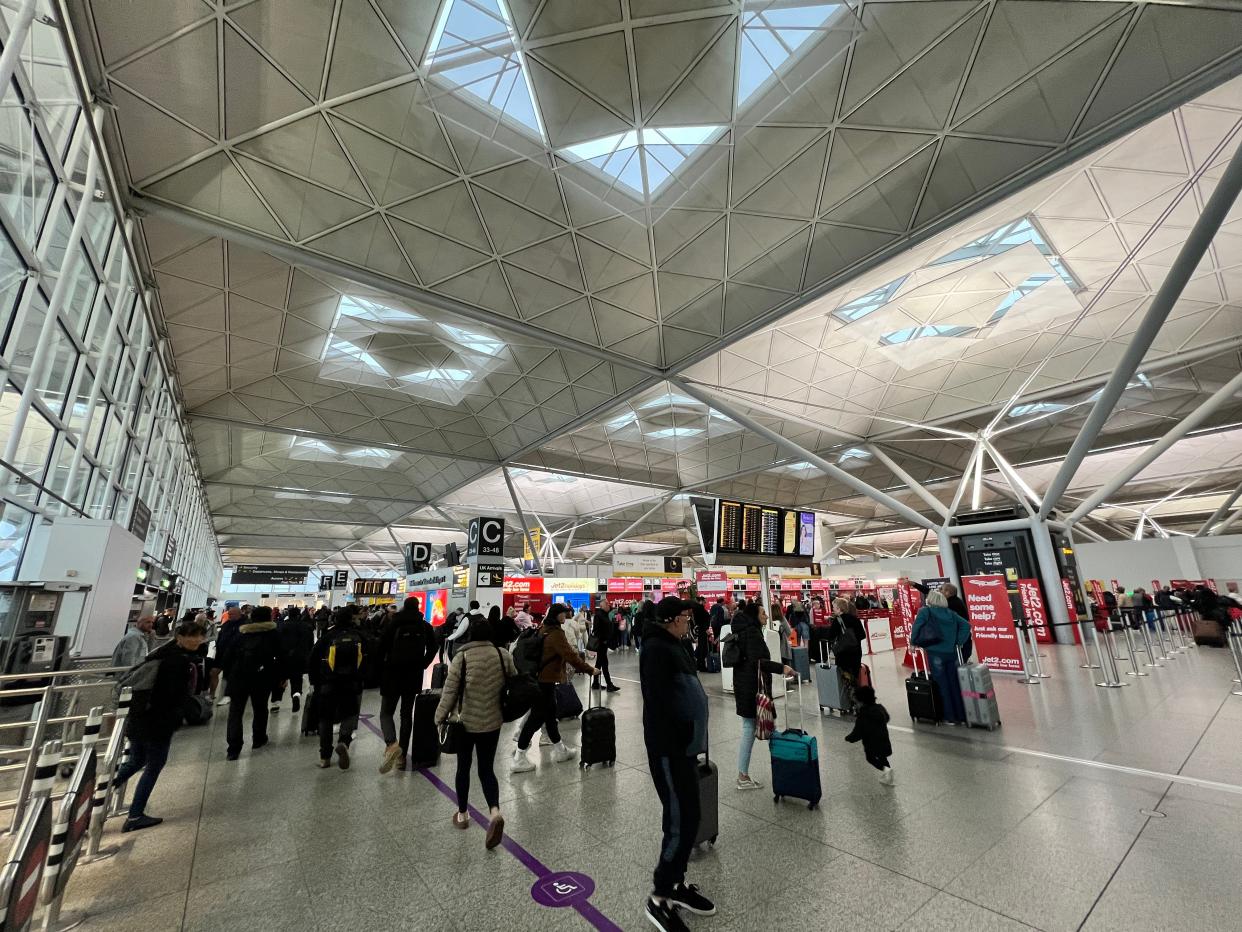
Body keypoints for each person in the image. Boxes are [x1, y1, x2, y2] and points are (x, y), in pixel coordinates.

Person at [640, 596, 714, 932]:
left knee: (692, 816)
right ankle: (659, 897)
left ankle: (676, 883)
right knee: (678, 820)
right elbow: (659, 701)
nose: (690, 621)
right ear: (671, 619)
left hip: (684, 748)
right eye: (685, 617)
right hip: (669, 749)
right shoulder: (656, 649)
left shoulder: (673, 644)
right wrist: (685, 730)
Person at [113, 618, 207, 832]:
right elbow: (169, 695)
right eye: (193, 636)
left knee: (137, 760)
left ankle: (101, 791)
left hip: (141, 716)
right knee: (153, 765)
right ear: (180, 637)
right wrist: (179, 714)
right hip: (157, 721)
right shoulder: (176, 661)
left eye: (200, 636)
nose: (197, 640)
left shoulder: (160, 653)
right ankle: (135, 815)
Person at [435, 616, 515, 848]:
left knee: (463, 767)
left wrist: (439, 717)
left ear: (469, 634)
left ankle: (462, 814)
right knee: (487, 769)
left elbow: (449, 692)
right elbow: (513, 682)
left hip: (465, 723)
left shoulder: (462, 657)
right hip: (492, 722)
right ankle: (495, 813)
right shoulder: (502, 655)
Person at [511, 603, 597, 773]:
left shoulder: (544, 627)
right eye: (563, 614)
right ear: (558, 615)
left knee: (550, 716)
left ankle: (560, 751)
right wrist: (590, 669)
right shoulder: (556, 633)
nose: (566, 616)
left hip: (540, 679)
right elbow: (570, 655)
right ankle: (519, 758)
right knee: (536, 718)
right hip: (545, 681)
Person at [730, 601, 791, 791]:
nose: (766, 616)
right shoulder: (752, 633)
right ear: (754, 615)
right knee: (750, 727)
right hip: (753, 688)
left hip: (744, 685)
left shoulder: (743, 631)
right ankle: (743, 776)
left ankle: (783, 764)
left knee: (762, 725)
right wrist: (782, 668)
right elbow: (760, 662)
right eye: (763, 613)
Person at [377, 596, 437, 774]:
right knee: (406, 714)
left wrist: (383, 667)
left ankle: (391, 743)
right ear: (418, 607)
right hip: (413, 674)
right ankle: (402, 757)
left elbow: (381, 647)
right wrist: (423, 664)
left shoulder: (394, 624)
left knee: (386, 712)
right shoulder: (424, 626)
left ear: (404, 607)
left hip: (392, 673)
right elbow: (434, 647)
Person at [218, 605, 284, 760]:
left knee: (235, 712)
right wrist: (281, 677)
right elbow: (281, 656)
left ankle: (233, 748)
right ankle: (259, 738)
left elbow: (227, 655)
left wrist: (228, 675)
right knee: (260, 708)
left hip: (239, 677)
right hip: (262, 677)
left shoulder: (241, 633)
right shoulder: (273, 634)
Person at [309, 605, 365, 769]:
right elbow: (369, 658)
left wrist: (314, 682)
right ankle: (344, 742)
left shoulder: (328, 636)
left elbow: (313, 659)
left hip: (328, 684)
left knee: (325, 718)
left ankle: (325, 756)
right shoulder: (358, 636)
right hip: (351, 683)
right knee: (350, 714)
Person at [909, 591, 971, 725]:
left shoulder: (925, 612)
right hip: (952, 653)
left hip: (935, 653)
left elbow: (916, 628)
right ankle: (961, 716)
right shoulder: (951, 613)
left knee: (942, 685)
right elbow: (966, 625)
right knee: (954, 684)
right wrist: (958, 642)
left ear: (930, 600)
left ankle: (949, 717)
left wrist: (912, 643)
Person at [845, 685, 893, 784]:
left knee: (870, 758)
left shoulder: (863, 715)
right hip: (884, 740)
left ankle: (886, 770)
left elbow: (857, 732)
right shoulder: (880, 708)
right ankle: (888, 774)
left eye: (856, 703)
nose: (856, 705)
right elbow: (887, 718)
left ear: (861, 702)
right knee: (882, 757)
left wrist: (849, 738)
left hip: (871, 744)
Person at [272, 607, 314, 713]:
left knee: (280, 679)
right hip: (299, 658)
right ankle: (296, 694)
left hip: (283, 657)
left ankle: (276, 703)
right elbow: (310, 644)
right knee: (296, 679)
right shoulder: (306, 627)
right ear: (299, 615)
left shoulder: (281, 626)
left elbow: (275, 642)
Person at [825, 597, 866, 683]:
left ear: (839, 609)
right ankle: (855, 692)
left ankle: (847, 693)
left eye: (834, 607)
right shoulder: (855, 619)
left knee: (844, 679)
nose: (833, 609)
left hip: (843, 654)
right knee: (855, 676)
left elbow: (831, 636)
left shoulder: (837, 620)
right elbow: (862, 635)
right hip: (856, 652)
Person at [591, 599, 620, 692]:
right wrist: (603, 640)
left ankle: (596, 683)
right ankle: (609, 685)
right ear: (602, 606)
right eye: (607, 604)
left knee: (599, 663)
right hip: (601, 644)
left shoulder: (604, 614)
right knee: (604, 664)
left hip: (603, 643)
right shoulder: (599, 615)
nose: (609, 605)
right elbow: (596, 630)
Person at [691, 597, 712, 672]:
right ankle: (701, 665)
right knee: (702, 648)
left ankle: (700, 665)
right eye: (704, 602)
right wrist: (706, 628)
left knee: (701, 648)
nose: (705, 603)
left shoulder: (698, 608)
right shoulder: (699, 609)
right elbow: (703, 620)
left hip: (702, 630)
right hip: (702, 630)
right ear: (701, 601)